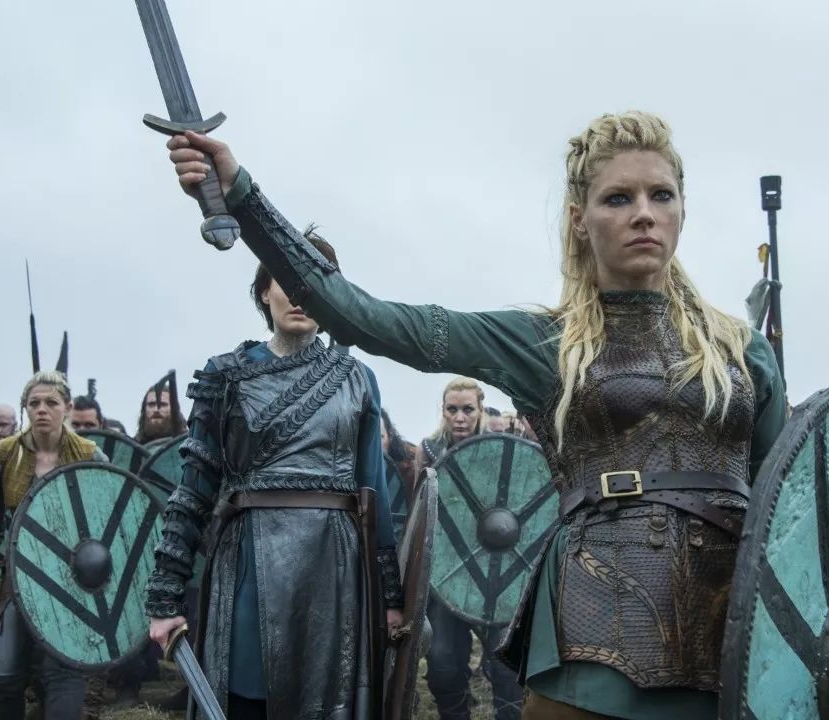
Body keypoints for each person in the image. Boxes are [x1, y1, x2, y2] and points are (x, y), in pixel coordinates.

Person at [162, 109, 787, 719]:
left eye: (661, 195)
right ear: (579, 219)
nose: (644, 213)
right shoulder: (544, 344)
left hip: (730, 632)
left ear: (683, 210)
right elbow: (362, 317)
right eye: (618, 198)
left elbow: (783, 514)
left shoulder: (742, 351)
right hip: (596, 636)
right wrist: (241, 195)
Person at [145, 233, 405, 719]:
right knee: (246, 696)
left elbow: (374, 498)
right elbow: (192, 492)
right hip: (248, 560)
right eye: (287, 279)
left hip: (333, 568)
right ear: (264, 291)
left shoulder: (357, 379)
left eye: (315, 283)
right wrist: (165, 597)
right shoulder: (224, 375)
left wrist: (391, 598)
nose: (300, 294)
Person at [0, 371, 108, 720]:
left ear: (67, 407)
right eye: (34, 403)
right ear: (25, 408)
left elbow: (109, 524)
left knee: (64, 669)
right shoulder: (2, 455)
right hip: (19, 577)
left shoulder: (90, 456)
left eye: (51, 402)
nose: (42, 409)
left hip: (73, 578)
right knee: (7, 671)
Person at [415, 377, 522, 720]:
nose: (459, 417)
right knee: (443, 663)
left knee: (506, 665)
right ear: (443, 411)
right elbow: (419, 514)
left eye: (467, 409)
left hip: (499, 573)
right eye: (452, 409)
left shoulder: (500, 450)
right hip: (447, 574)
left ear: (480, 410)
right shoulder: (429, 450)